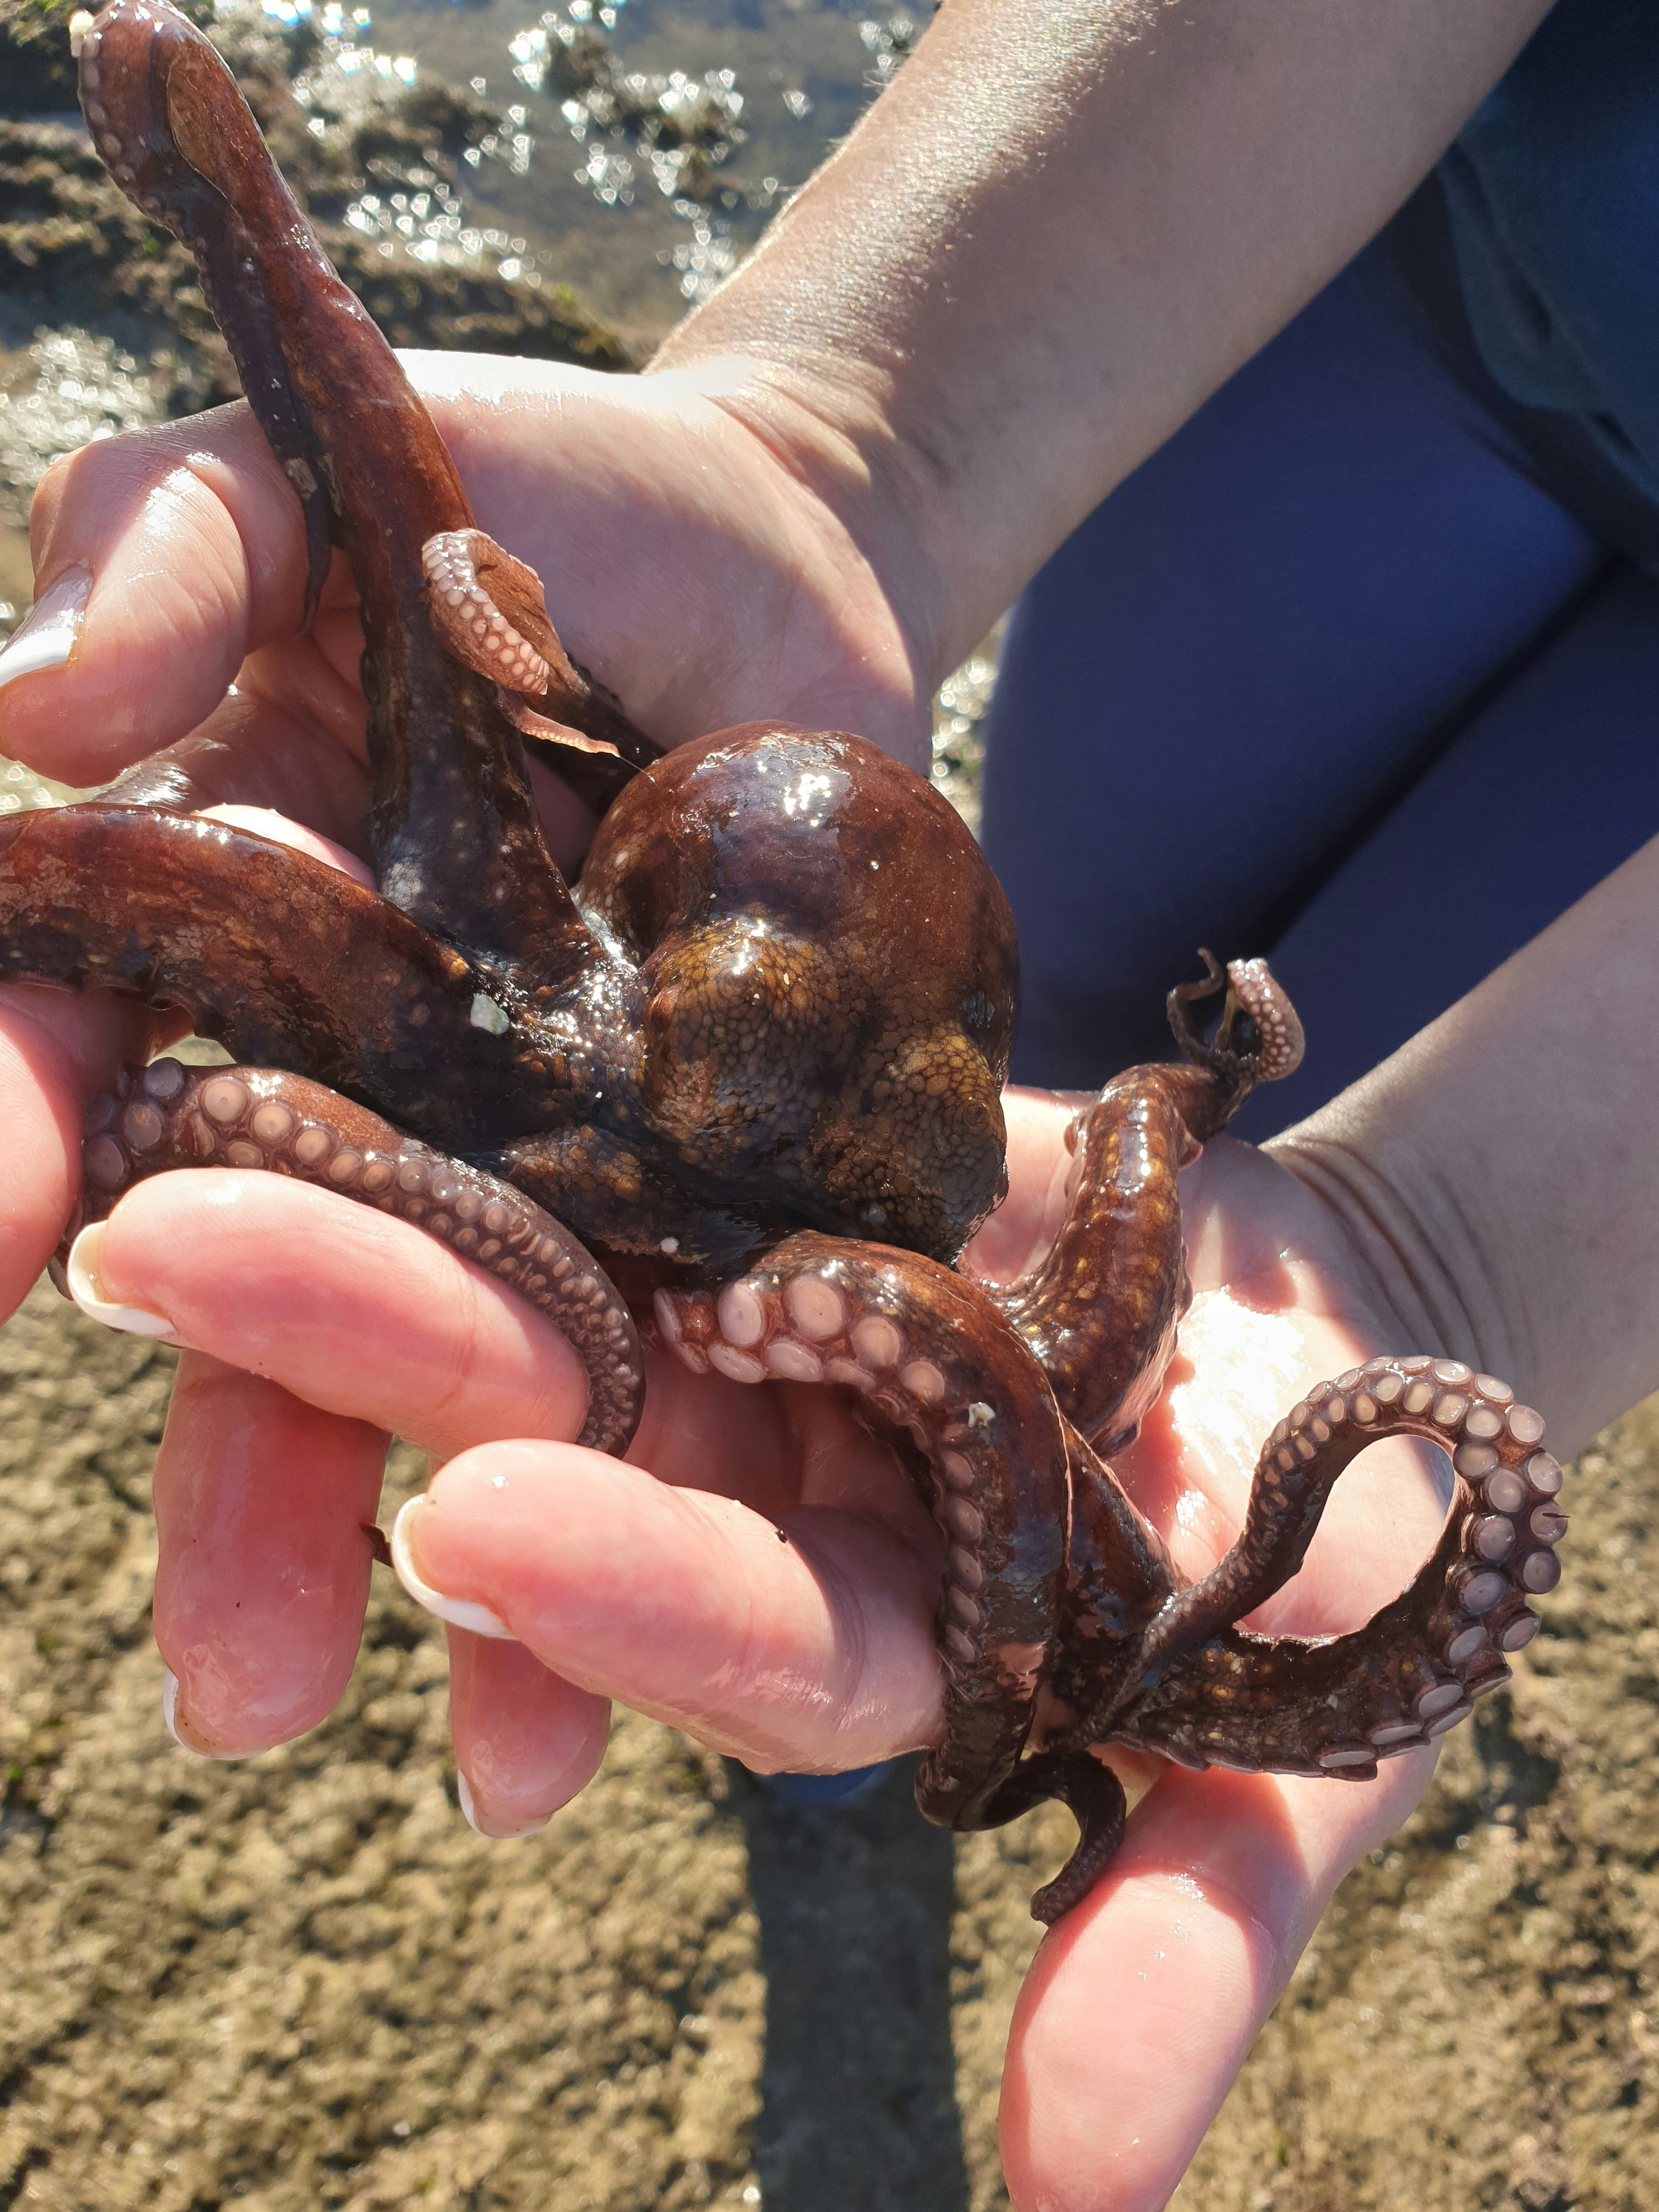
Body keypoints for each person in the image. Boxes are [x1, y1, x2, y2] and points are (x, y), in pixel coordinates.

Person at [1, 1, 1656, 2204]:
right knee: (1111, 989)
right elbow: (410, 527)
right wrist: (842, 441)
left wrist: (1471, 1244)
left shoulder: (849, 1153)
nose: (679, 1187)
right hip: (1422, 263)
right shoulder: (614, 973)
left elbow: (1075, 1250)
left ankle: (907, 1668)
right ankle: (862, 1691)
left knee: (1166, 1096)